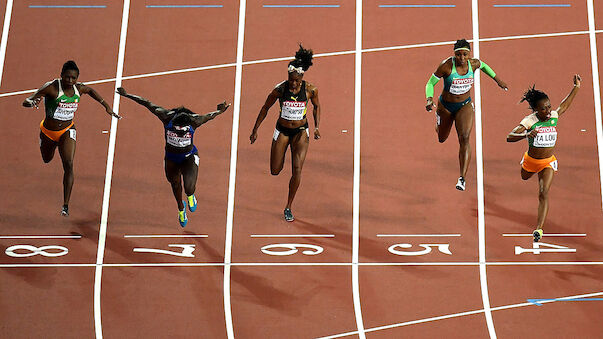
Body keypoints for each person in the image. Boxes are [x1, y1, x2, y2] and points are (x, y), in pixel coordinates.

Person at [116, 87, 230, 227]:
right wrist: (127, 95)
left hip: (189, 157)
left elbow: (211, 115)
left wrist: (220, 111)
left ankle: (190, 196)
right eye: (177, 129)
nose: (180, 132)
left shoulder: (195, 121)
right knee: (175, 184)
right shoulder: (166, 116)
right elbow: (146, 103)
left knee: (189, 187)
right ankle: (181, 209)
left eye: (183, 130)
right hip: (171, 158)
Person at [22, 60, 121, 216]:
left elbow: (91, 91)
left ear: (77, 78)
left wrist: (106, 106)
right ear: (61, 76)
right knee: (46, 159)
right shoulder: (52, 88)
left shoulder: (78, 88)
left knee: (68, 163)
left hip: (67, 130)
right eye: (67, 77)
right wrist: (31, 102)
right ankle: (52, 145)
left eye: (73, 78)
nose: (70, 81)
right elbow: (27, 100)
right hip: (48, 132)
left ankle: (65, 205)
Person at [249, 45, 321, 222]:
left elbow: (317, 107)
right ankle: (280, 163)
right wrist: (255, 129)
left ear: (302, 78)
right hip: (282, 130)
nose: (293, 84)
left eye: (296, 81)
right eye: (291, 80)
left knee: (297, 169)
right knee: (275, 170)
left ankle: (288, 206)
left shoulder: (311, 90)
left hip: (300, 132)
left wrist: (317, 126)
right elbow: (265, 108)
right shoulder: (280, 90)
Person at [425, 39, 508, 190]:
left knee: (464, 137)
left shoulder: (474, 64)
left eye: (465, 54)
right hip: (446, 107)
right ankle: (439, 125)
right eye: (458, 55)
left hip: (464, 106)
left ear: (469, 54)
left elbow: (484, 66)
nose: (462, 58)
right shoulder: (446, 66)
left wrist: (498, 80)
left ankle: (462, 178)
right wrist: (429, 99)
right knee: (441, 138)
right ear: (454, 54)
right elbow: (430, 83)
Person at [506, 75, 581, 242]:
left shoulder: (553, 116)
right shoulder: (529, 121)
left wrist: (576, 88)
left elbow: (564, 106)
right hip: (530, 161)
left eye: (549, 107)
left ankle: (539, 229)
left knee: (543, 192)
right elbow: (509, 137)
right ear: (535, 110)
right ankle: (527, 168)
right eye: (543, 109)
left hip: (547, 162)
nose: (548, 111)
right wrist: (526, 134)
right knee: (524, 177)